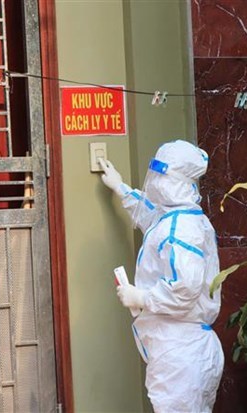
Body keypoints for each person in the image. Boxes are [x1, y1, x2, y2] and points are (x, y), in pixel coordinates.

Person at [98, 139, 224, 413]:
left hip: (181, 354)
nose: (154, 181)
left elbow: (184, 290)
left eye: (160, 174)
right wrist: (121, 188)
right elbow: (152, 217)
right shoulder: (183, 218)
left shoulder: (182, 229)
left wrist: (140, 296)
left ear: (177, 180)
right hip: (186, 350)